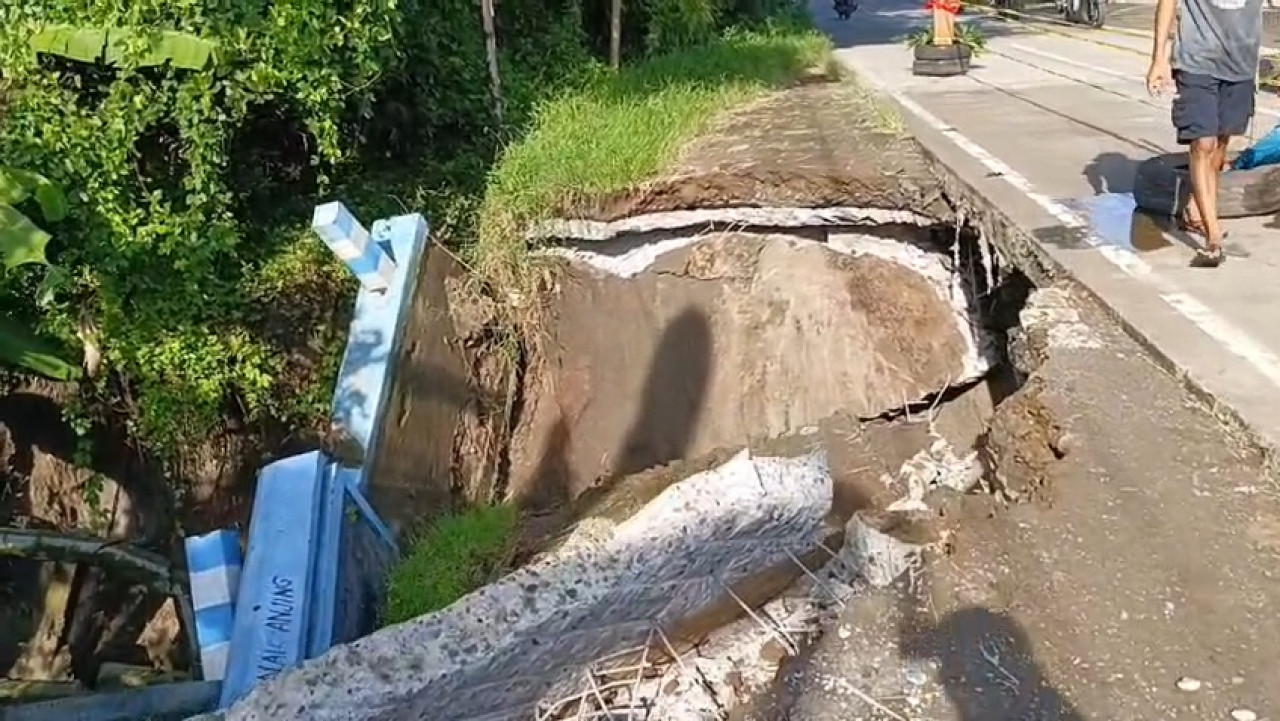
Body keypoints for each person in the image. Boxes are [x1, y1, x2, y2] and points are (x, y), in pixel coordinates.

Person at [1145, 0, 1263, 267]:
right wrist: (1158, 59)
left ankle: (1196, 209)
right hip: (1197, 60)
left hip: (1241, 64)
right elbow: (1167, 3)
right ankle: (1213, 237)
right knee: (1203, 142)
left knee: (1221, 141)